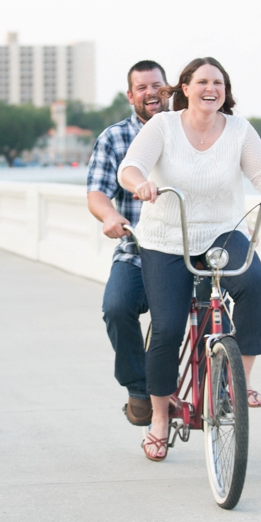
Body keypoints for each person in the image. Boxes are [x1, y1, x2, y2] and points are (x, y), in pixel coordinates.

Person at [118, 57, 261, 461]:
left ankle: (239, 381)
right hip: (167, 236)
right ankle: (160, 419)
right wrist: (141, 184)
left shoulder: (238, 130)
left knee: (253, 285)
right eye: (202, 81)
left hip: (222, 230)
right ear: (185, 87)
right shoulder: (162, 127)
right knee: (166, 328)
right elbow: (130, 167)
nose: (210, 88)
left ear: (225, 90)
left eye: (218, 82)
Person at [87, 60, 169, 427]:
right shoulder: (115, 137)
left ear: (170, 89)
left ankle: (218, 379)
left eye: (157, 85)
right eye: (142, 87)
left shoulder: (188, 129)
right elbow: (97, 193)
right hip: (136, 249)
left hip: (187, 249)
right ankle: (139, 389)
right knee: (117, 308)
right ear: (130, 95)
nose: (151, 93)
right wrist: (110, 216)